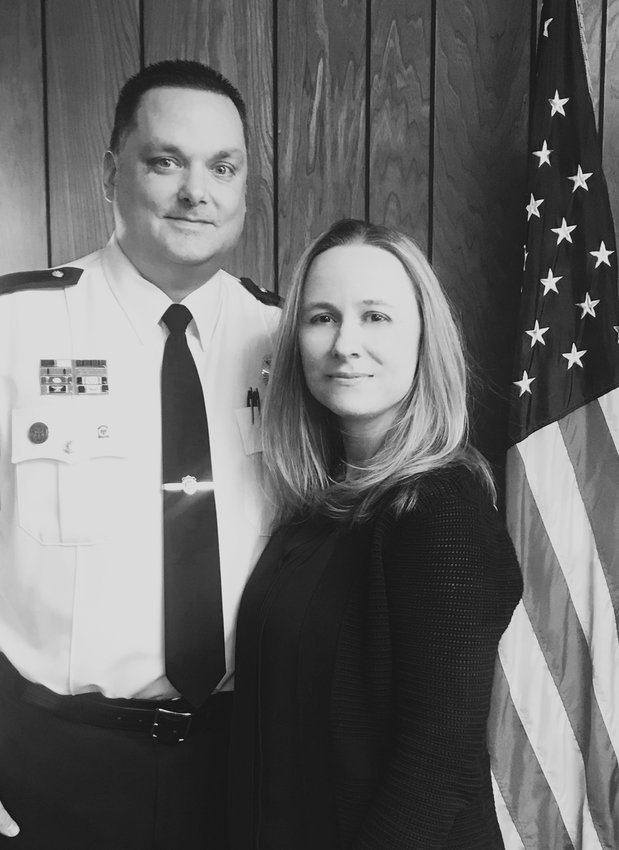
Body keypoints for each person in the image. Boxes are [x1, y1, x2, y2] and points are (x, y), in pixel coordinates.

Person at [0, 60, 279, 848]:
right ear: (110, 173)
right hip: (50, 765)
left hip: (245, 765)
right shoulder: (14, 329)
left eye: (222, 167)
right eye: (166, 161)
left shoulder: (290, 342)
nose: (197, 191)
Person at [228, 218, 523, 849]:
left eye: (377, 317)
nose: (345, 343)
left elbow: (434, 774)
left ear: (424, 339)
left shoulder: (442, 509)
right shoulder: (317, 502)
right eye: (322, 317)